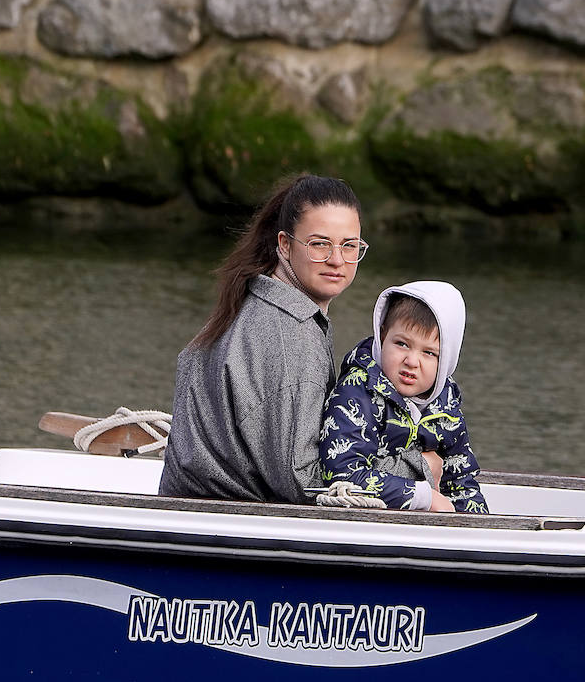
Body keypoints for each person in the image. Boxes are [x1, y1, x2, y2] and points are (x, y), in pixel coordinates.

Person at [159, 174, 368, 503]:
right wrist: (414, 469)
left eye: (350, 245)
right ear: (284, 244)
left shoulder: (243, 303)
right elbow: (303, 481)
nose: (337, 260)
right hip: (231, 534)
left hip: (185, 514)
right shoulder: (292, 336)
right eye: (319, 244)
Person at [319, 281, 487, 513]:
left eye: (429, 352)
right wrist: (424, 497)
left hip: (423, 529)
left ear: (447, 359)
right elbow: (343, 473)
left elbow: (462, 481)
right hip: (366, 521)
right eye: (401, 344)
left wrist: (475, 528)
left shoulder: (445, 402)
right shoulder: (357, 391)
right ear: (382, 337)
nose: (411, 361)